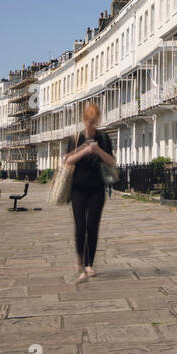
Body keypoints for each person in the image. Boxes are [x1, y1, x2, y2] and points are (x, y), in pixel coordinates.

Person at [62, 101, 116, 284]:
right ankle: (79, 259)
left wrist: (97, 150)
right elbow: (67, 160)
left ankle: (89, 264)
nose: (91, 124)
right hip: (78, 187)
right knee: (80, 226)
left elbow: (111, 162)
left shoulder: (104, 139)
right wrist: (85, 150)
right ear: (84, 120)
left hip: (97, 188)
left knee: (92, 226)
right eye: (89, 121)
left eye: (94, 121)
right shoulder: (75, 138)